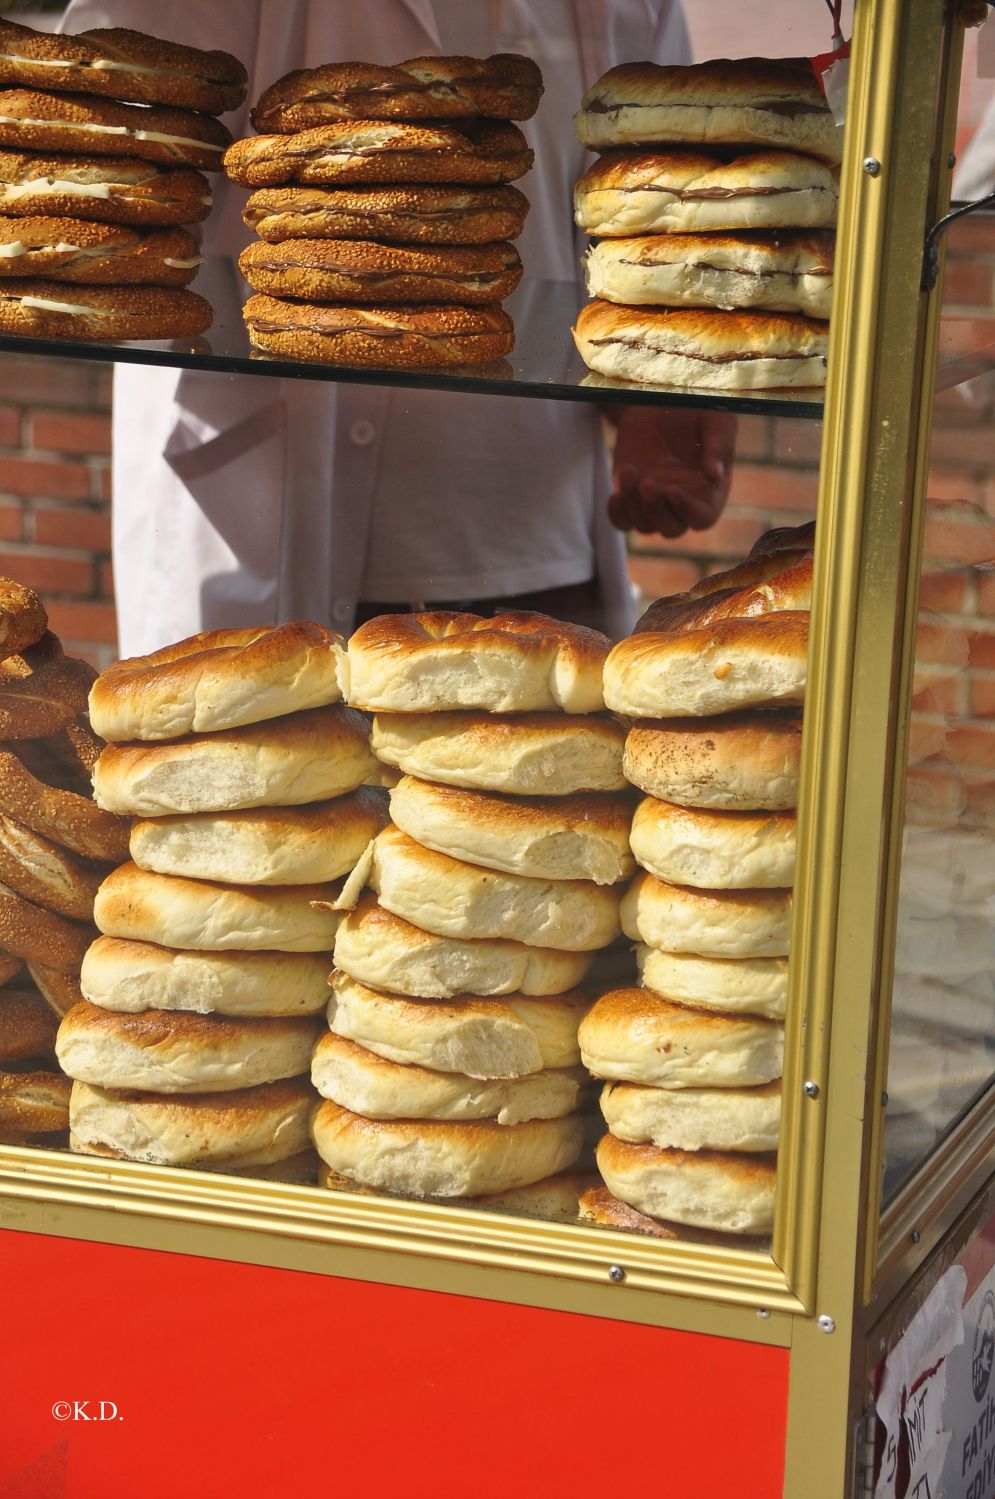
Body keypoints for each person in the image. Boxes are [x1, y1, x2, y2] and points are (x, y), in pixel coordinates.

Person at [61, 0, 736, 653]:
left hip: (541, 557)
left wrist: (645, 382)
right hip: (255, 538)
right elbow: (108, 150)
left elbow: (649, 218)